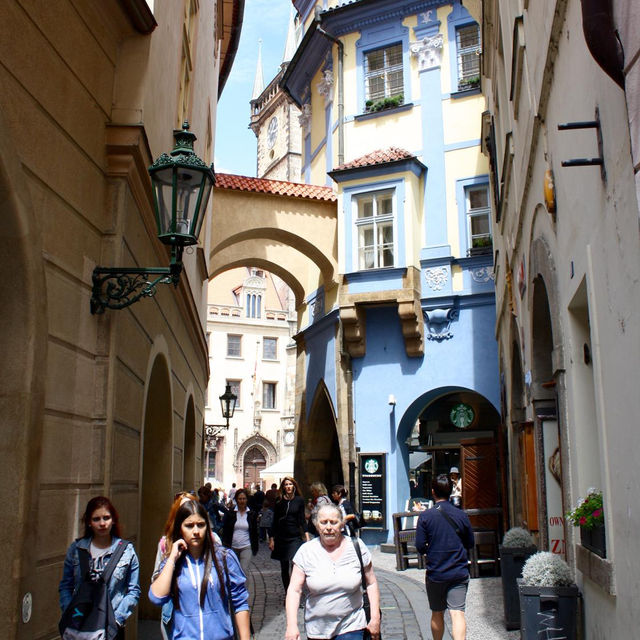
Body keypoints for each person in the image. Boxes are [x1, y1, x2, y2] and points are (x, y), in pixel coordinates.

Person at [149, 500, 251, 640]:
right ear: (180, 528)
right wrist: (172, 558)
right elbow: (156, 598)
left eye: (201, 525)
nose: (196, 531)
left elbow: (240, 603)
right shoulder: (173, 563)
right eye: (189, 526)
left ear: (207, 527)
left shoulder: (224, 558)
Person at [284, 503, 381, 640]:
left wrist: (375, 618)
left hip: (352, 626)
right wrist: (291, 625)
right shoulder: (306, 552)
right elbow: (294, 590)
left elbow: (371, 583)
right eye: (324, 522)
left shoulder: (357, 546)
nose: (328, 527)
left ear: (342, 525)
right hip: (317, 629)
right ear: (317, 525)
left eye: (333, 522)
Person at [59, 496, 140, 640]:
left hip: (110, 628)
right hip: (79, 626)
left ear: (113, 520)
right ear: (89, 523)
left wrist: (116, 619)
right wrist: (69, 611)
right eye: (96, 519)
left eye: (106, 518)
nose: (102, 523)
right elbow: (66, 585)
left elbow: (133, 590)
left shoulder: (127, 551)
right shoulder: (77, 549)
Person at [415, 474, 474, 640]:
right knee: (457, 614)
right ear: (450, 492)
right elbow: (470, 542)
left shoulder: (425, 516)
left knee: (437, 613)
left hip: (436, 573)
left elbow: (419, 546)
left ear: (433, 492)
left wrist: (433, 550)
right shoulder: (461, 515)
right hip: (458, 571)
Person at [269, 476, 310, 591]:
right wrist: (271, 538)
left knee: (295, 564)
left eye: (290, 484)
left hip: (295, 536)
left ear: (294, 486)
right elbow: (275, 521)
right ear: (283, 487)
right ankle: (287, 591)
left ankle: (293, 590)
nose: (288, 487)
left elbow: (302, 519)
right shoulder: (279, 501)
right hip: (282, 537)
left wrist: (307, 536)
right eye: (286, 485)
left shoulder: (299, 500)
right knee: (284, 567)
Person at [222, 488, 259, 576]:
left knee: (244, 570)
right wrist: (224, 545)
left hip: (246, 546)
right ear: (236, 500)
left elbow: (254, 531)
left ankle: (245, 589)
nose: (242, 501)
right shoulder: (231, 513)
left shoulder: (251, 514)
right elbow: (226, 530)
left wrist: (255, 546)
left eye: (244, 499)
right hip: (232, 547)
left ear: (247, 500)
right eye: (240, 499)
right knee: (233, 571)